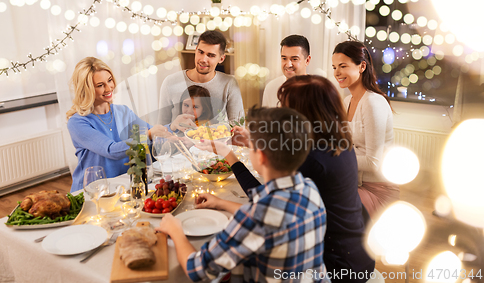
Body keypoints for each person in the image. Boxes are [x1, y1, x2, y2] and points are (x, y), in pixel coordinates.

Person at [201, 75, 375, 282]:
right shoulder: (336, 140)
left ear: (301, 115)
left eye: (284, 106)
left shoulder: (311, 160)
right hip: (358, 247)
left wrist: (230, 156)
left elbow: (265, 202)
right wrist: (258, 142)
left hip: (336, 263)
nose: (279, 111)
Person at [156, 107, 327, 283]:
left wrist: (175, 231)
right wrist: (222, 202)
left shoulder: (255, 218)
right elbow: (271, 209)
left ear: (260, 156)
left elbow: (198, 270)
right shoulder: (309, 188)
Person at [66, 57, 167, 192]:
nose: (109, 88)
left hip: (122, 185)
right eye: (100, 85)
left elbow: (152, 133)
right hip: (93, 191)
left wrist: (174, 127)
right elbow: (111, 150)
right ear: (87, 89)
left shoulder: (123, 111)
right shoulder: (77, 122)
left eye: (110, 80)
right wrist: (148, 135)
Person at [332, 40, 399, 218]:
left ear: (362, 66)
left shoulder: (372, 102)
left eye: (343, 66)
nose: (337, 73)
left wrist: (334, 156)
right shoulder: (347, 101)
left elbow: (373, 162)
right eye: (334, 67)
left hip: (376, 188)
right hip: (354, 181)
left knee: (328, 210)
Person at [157, 30, 244, 125]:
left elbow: (237, 125)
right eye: (201, 52)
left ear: (221, 59)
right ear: (195, 50)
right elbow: (161, 126)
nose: (203, 59)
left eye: (211, 55)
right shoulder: (170, 82)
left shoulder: (229, 83)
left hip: (215, 139)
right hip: (176, 139)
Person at [262, 34, 323, 107]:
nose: (288, 65)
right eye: (284, 58)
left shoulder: (318, 90)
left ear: (307, 60)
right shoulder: (271, 88)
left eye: (294, 59)